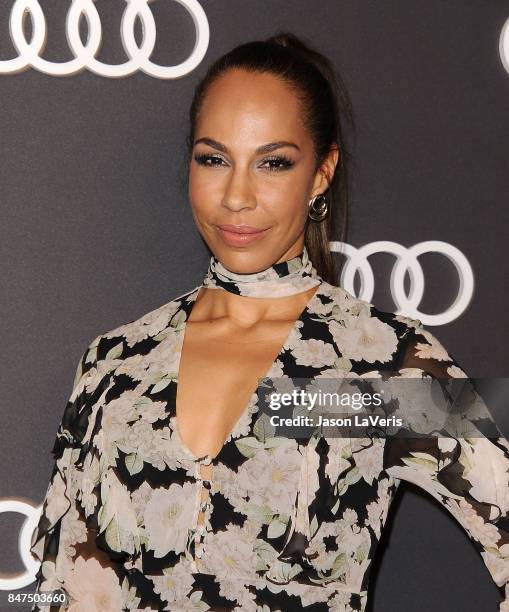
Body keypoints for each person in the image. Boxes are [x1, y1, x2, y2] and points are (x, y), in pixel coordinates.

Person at [30, 32, 509, 612]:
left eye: (273, 163)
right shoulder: (117, 363)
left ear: (322, 172)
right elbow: (61, 588)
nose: (236, 196)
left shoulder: (379, 363)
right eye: (215, 159)